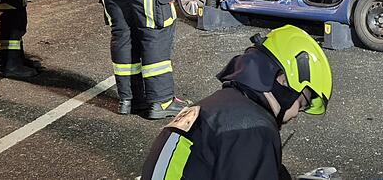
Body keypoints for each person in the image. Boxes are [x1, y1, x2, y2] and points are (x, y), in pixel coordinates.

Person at [142, 25, 333, 180]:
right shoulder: (253, 130)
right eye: (303, 102)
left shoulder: (217, 108)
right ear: (283, 80)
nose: (297, 113)